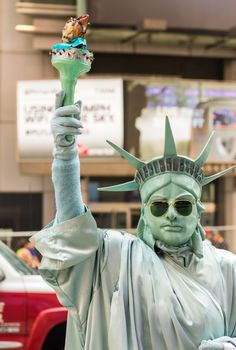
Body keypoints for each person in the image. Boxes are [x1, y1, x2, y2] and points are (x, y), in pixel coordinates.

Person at [31, 91, 236, 350]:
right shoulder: (116, 259)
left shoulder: (228, 269)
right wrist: (65, 153)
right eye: (159, 206)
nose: (171, 214)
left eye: (182, 205)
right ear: (145, 215)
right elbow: (74, 234)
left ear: (198, 212)